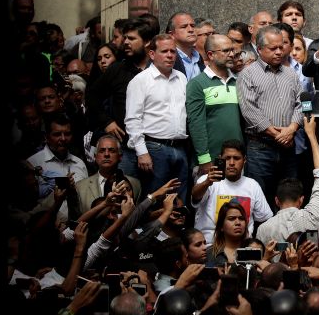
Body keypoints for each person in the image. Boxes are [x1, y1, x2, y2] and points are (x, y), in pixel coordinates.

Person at [237, 25, 303, 203]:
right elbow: (249, 110)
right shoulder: (247, 74)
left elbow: (300, 103)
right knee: (261, 197)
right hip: (261, 147)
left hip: (288, 146)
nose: (279, 52)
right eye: (273, 48)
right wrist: (277, 134)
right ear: (259, 49)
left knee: (289, 197)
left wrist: (291, 129)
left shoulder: (291, 74)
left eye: (281, 47)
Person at [86, 18, 156, 175]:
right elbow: (92, 94)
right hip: (127, 148)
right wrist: (106, 121)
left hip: (155, 146)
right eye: (124, 38)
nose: (125, 42)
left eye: (131, 38)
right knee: (125, 192)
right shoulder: (117, 69)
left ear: (146, 42)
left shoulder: (158, 69)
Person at [124, 34, 189, 199]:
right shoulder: (140, 81)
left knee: (178, 200)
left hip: (180, 148)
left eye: (173, 51)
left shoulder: (181, 78)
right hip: (154, 148)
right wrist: (141, 152)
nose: (170, 55)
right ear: (152, 54)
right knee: (155, 200)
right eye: (165, 51)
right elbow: (132, 119)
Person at [255, 115, 319, 247]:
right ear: (301, 200)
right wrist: (311, 134)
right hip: (312, 269)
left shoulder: (263, 229)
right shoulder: (313, 216)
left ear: (277, 201)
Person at [191, 139, 273, 246]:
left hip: (242, 248)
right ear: (220, 159)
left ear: (244, 160)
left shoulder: (252, 185)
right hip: (210, 245)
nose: (232, 163)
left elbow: (265, 219)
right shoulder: (207, 179)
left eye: (236, 158)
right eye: (227, 158)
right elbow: (195, 197)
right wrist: (207, 182)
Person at [186, 34, 244, 176]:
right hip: (211, 159)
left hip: (236, 159)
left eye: (232, 50)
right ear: (210, 55)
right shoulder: (197, 84)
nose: (231, 55)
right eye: (225, 51)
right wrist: (204, 159)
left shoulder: (238, 82)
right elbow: (196, 124)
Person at [75, 134, 141, 214]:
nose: (106, 154)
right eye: (102, 151)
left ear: (120, 156)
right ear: (95, 157)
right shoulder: (80, 187)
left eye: (112, 150)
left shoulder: (135, 184)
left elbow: (137, 216)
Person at [166, 12, 204, 81]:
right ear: (172, 35)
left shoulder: (198, 57)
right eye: (184, 27)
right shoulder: (167, 57)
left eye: (192, 26)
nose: (191, 30)